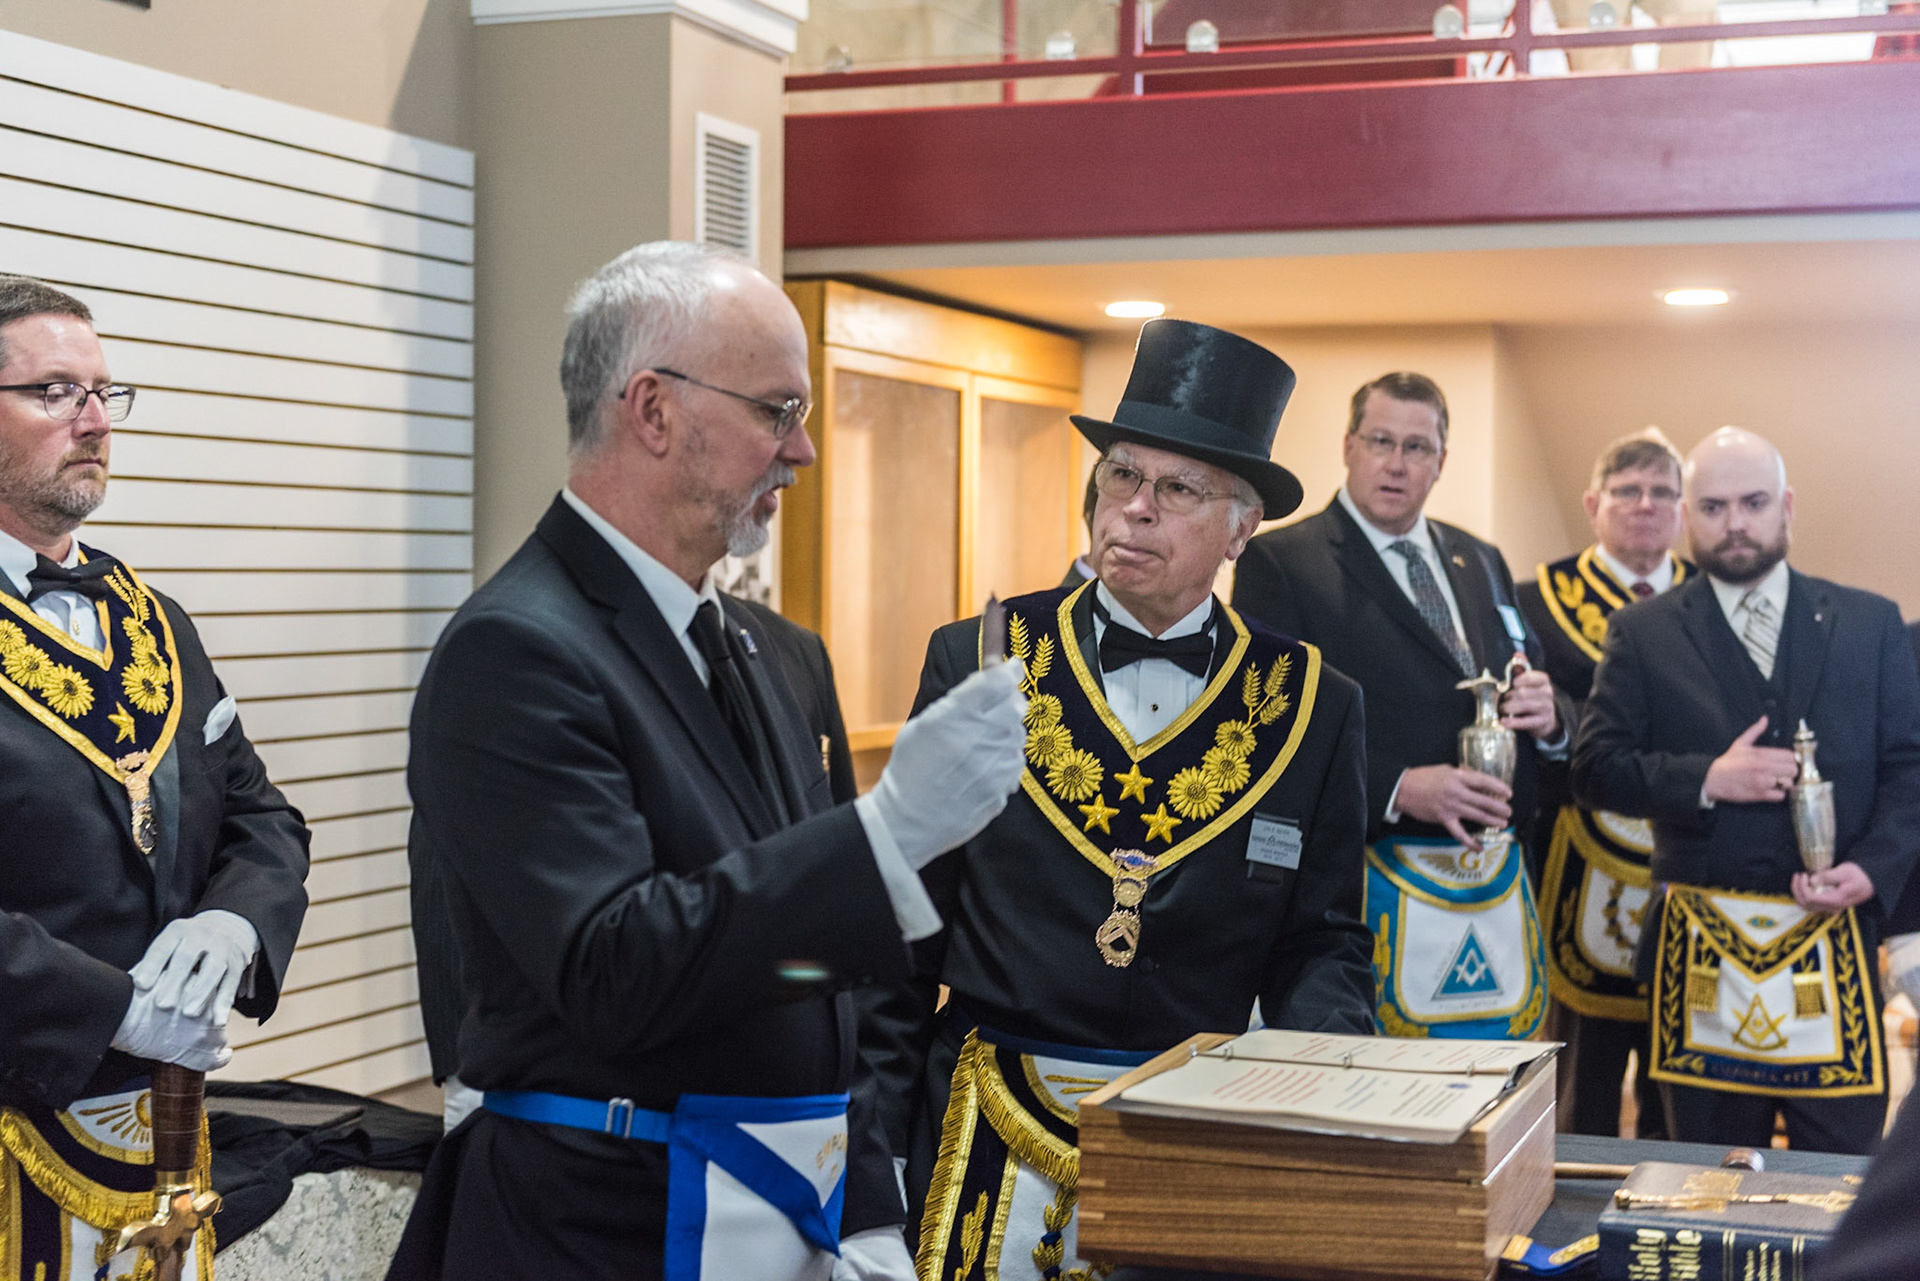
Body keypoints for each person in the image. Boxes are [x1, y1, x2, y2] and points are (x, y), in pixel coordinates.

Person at [385, 241, 1029, 1281]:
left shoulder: (773, 652)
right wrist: (889, 833)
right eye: (778, 411)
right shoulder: (516, 650)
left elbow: (829, 980)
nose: (804, 450)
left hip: (780, 1209)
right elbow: (615, 973)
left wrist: (864, 1203)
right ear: (653, 412)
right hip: (596, 1223)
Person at [868, 319, 1376, 1280]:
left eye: (1177, 489)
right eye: (1119, 476)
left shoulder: (1315, 703)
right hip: (981, 1134)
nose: (1135, 509)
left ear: (1241, 526)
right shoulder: (980, 660)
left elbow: (1323, 944)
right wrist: (868, 1179)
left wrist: (1331, 1108)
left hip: (1199, 1148)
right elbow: (899, 935)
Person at [0, 276, 310, 1279]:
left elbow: (261, 817)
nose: (94, 420)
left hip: (166, 1137)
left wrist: (238, 923)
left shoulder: (155, 620)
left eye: (103, 392)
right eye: (54, 392)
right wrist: (104, 1006)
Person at [1573, 426, 1920, 1155]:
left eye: (1754, 502)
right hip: (1701, 949)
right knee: (1706, 1181)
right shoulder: (1642, 631)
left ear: (1787, 507)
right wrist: (1707, 778)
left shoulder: (1871, 622)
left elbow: (1910, 767)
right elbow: (1594, 765)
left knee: (1840, 1183)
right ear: (1686, 515)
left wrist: (1875, 868)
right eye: (1715, 505)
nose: (1735, 523)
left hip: (1836, 942)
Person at [409, 593, 860, 1134]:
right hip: (566, 1099)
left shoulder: (791, 648)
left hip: (783, 1095)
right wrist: (459, 1064)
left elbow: (829, 855)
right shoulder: (526, 640)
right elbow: (451, 860)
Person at [1232, 371, 1570, 1040]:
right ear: (1349, 445)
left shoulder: (1481, 557)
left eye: (1417, 447)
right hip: (1367, 885)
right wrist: (1395, 787)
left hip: (1494, 883)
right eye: (1381, 440)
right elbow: (1264, 726)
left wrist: (1550, 715)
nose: (1396, 462)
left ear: (1441, 461)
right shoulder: (1283, 562)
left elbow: (1519, 673)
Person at [1516, 429, 1690, 1139]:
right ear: (1593, 503)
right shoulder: (1532, 597)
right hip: (1571, 862)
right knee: (1576, 1093)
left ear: (1682, 509)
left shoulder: (1716, 600)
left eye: (1661, 492)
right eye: (1627, 490)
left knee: (1678, 1090)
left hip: (1688, 866)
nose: (1644, 504)